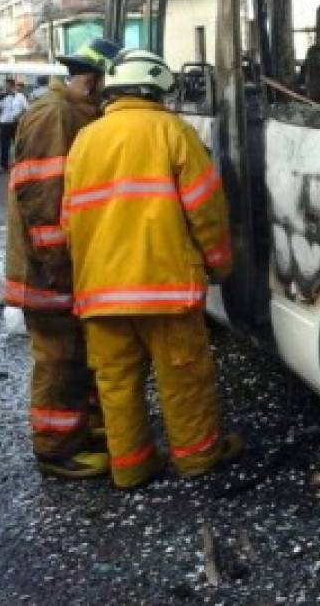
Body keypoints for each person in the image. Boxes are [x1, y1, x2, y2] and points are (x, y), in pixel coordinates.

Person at [63, 49, 241, 489]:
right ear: (156, 89)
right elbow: (206, 209)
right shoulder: (172, 131)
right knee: (183, 375)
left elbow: (69, 220)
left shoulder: (85, 140)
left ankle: (131, 466)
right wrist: (219, 264)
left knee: (117, 383)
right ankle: (196, 457)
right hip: (164, 288)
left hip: (100, 292)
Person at [3, 38, 121, 479]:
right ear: (93, 80)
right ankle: (54, 449)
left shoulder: (70, 112)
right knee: (59, 356)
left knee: (78, 353)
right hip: (48, 268)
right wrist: (59, 267)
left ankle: (79, 430)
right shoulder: (55, 116)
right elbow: (44, 198)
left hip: (65, 263)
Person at [0, 79, 28, 171]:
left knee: (18, 145)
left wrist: (19, 115)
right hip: (4, 123)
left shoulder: (20, 96)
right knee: (4, 146)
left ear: (12, 86)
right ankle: (4, 166)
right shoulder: (1, 96)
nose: (6, 88)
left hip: (15, 124)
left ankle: (19, 164)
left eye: (7, 86)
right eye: (5, 86)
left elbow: (26, 108)